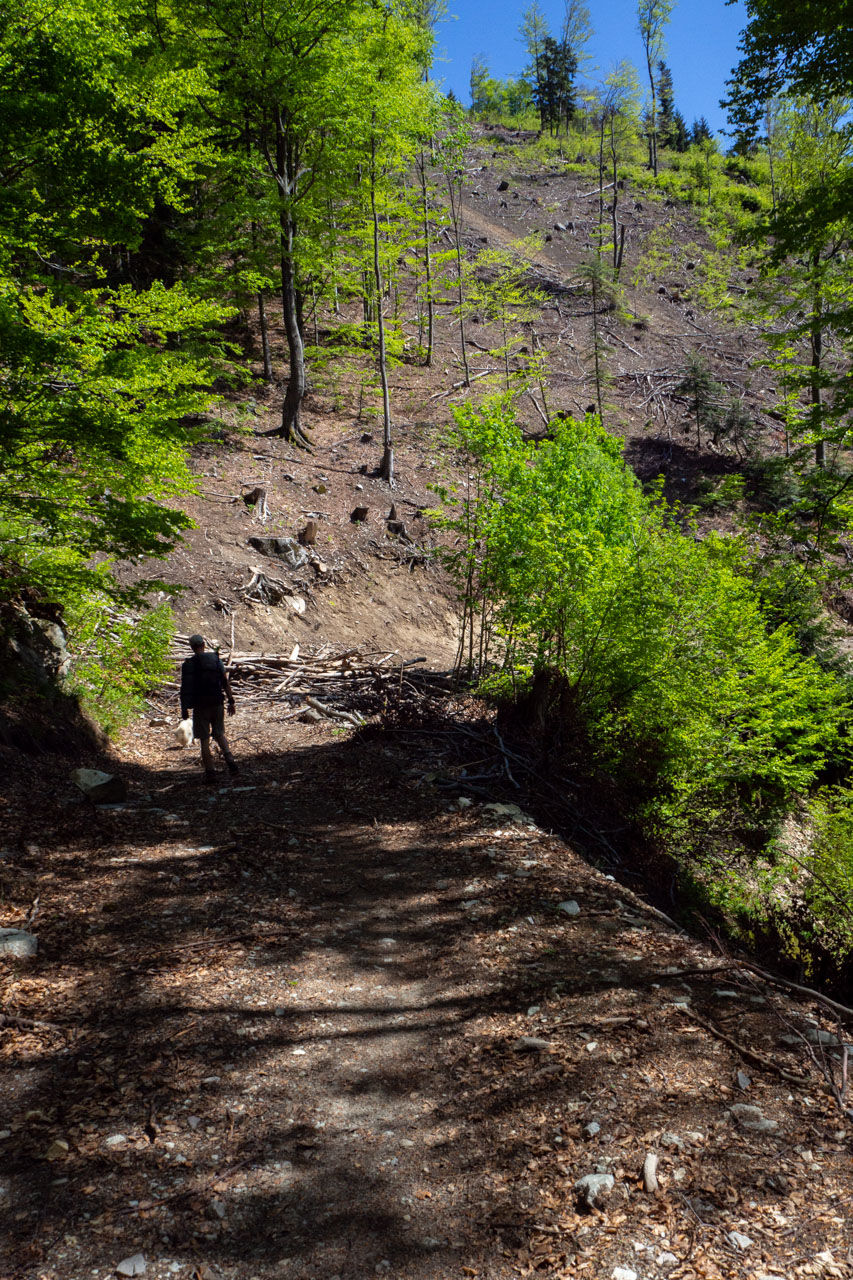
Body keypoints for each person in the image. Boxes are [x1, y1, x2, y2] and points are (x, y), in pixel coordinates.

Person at [180, 634, 239, 782]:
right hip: (217, 702)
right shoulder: (215, 659)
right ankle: (230, 759)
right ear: (203, 645)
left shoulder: (189, 664)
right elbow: (225, 682)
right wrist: (231, 701)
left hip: (200, 706)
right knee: (219, 733)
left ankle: (210, 772)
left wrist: (184, 708)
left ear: (192, 647)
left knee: (204, 740)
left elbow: (185, 688)